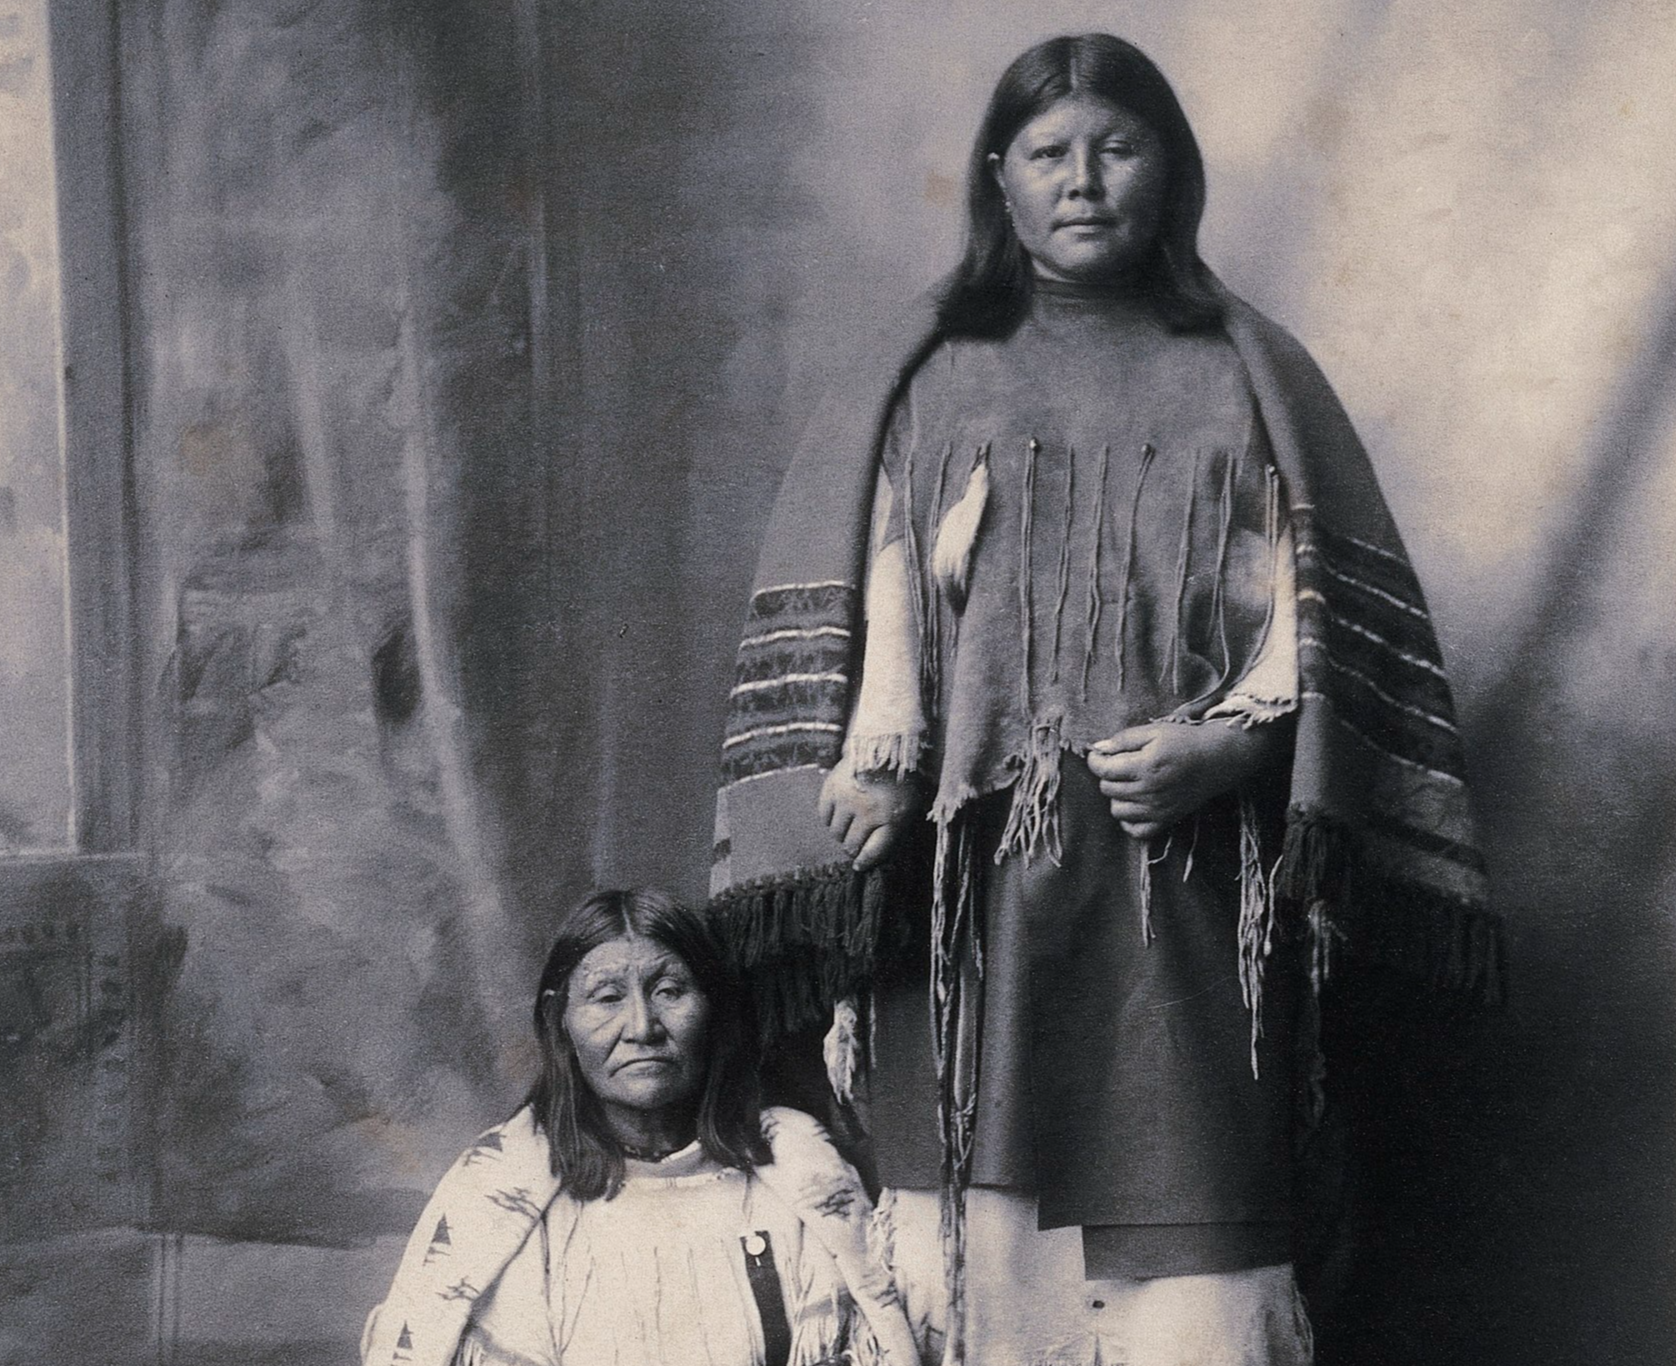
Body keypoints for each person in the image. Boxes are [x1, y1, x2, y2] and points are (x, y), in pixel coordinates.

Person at [710, 33, 1503, 1366]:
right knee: (969, 1244)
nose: (1083, 181)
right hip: (964, 902)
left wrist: (1227, 748)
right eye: (1047, 153)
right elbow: (887, 578)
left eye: (1116, 146)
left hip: (1179, 889)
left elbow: (1299, 625)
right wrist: (883, 745)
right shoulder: (927, 377)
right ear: (997, 181)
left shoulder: (1245, 378)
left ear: (1171, 173)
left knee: (1188, 1255)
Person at [359, 888, 922, 1366]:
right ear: (561, 1020)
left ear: (715, 1008)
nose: (642, 1027)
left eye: (669, 991)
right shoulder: (498, 1192)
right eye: (607, 997)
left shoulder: (798, 1171)